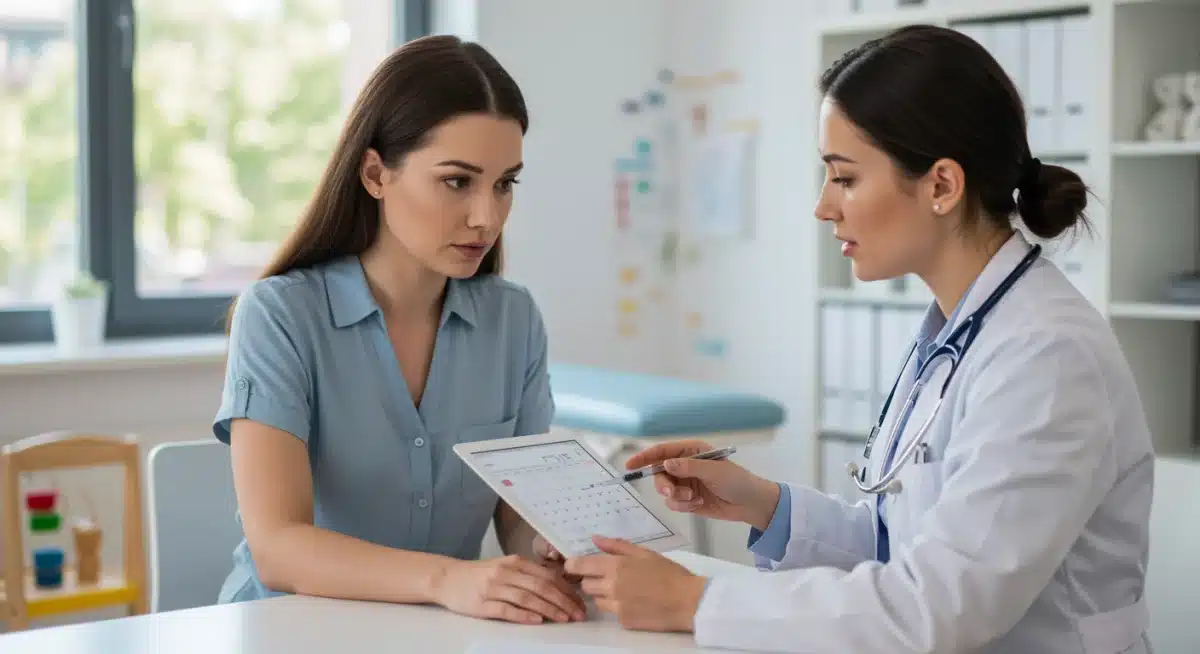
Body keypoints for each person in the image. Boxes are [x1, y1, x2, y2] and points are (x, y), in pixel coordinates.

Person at [564, 24, 1155, 653]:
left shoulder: (1047, 357)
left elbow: (938, 605)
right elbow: (900, 545)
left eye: (844, 178)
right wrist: (765, 505)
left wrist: (693, 601)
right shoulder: (959, 332)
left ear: (941, 186)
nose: (824, 206)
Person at [212, 34, 586, 626]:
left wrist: (556, 550)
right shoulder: (280, 315)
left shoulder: (514, 321)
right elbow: (277, 546)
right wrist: (447, 578)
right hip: (289, 629)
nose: (487, 216)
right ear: (375, 174)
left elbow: (516, 513)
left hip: (436, 632)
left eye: (504, 183)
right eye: (457, 181)